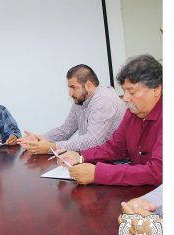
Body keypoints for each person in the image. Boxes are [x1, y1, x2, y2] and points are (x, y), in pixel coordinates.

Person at [60, 55, 162, 186]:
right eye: (124, 91)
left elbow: (157, 172)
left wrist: (98, 173)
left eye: (131, 92)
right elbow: (115, 148)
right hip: (140, 190)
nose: (125, 98)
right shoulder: (131, 113)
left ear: (156, 90)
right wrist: (81, 157)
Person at [17, 64, 126, 153]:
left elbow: (93, 141)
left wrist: (52, 146)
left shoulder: (103, 100)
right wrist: (40, 139)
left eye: (73, 88)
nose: (70, 93)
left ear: (88, 85)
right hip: (95, 157)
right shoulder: (81, 100)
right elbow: (66, 130)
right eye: (69, 88)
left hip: (116, 162)